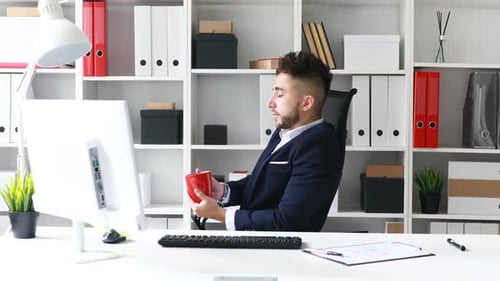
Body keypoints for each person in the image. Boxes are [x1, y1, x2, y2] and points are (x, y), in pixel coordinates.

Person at [191, 51, 342, 232]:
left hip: (278, 253)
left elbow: (288, 221)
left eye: (280, 95)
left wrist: (221, 215)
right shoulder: (284, 132)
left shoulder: (318, 149)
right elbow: (261, 184)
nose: (270, 103)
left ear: (306, 103)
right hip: (257, 243)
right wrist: (222, 191)